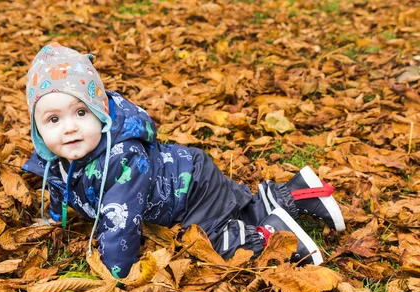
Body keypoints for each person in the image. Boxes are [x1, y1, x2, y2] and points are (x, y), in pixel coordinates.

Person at [22, 43, 345, 279]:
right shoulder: (58, 156)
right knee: (236, 209)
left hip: (188, 190)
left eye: (81, 112)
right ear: (38, 130)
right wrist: (55, 219)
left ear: (101, 112)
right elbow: (62, 185)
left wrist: (114, 273)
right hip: (189, 171)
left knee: (210, 241)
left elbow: (120, 221)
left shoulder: (121, 160)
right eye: (53, 120)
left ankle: (274, 238)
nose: (69, 127)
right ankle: (303, 192)